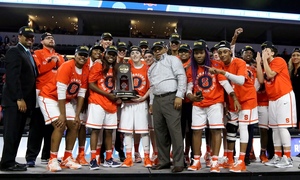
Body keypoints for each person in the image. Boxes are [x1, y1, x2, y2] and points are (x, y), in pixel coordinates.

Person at [186, 39, 240, 173]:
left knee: (216, 131)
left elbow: (225, 84)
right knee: (196, 131)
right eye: (196, 53)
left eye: (201, 53)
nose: (199, 56)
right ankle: (197, 160)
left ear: (206, 53)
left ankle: (215, 161)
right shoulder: (191, 68)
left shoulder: (216, 65)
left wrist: (234, 97)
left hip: (215, 103)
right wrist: (190, 96)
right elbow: (189, 87)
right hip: (198, 104)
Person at [38, 45, 89, 172]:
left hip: (65, 99)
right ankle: (52, 159)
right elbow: (60, 91)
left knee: (75, 125)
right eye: (80, 54)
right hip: (49, 96)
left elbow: (82, 94)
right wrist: (62, 114)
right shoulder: (67, 66)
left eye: (85, 55)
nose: (82, 57)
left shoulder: (86, 69)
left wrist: (77, 115)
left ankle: (67, 157)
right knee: (60, 124)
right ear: (75, 55)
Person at [209, 40, 258, 173]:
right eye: (220, 52)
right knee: (231, 128)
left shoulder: (239, 62)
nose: (222, 54)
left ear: (230, 52)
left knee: (242, 127)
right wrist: (233, 99)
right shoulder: (220, 66)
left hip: (247, 98)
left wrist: (223, 72)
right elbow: (227, 85)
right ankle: (229, 158)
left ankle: (241, 161)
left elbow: (241, 81)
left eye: (225, 51)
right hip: (234, 100)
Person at [0, 26, 37, 171]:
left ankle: (11, 160)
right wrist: (19, 98)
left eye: (32, 37)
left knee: (17, 133)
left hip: (23, 101)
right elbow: (12, 78)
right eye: (27, 36)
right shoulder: (14, 51)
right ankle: (6, 163)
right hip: (15, 101)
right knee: (11, 133)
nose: (30, 39)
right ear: (19, 37)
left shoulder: (27, 53)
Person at [26, 32, 64, 167]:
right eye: (48, 38)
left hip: (54, 94)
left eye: (52, 38)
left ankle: (47, 155)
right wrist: (52, 62)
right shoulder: (37, 53)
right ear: (42, 41)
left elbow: (63, 73)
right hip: (40, 91)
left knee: (52, 126)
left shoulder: (60, 56)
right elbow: (38, 70)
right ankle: (31, 156)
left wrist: (56, 60)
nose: (51, 39)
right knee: (37, 124)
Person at [256, 41, 296, 168]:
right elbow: (261, 80)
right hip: (272, 99)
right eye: (263, 50)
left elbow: (270, 74)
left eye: (267, 50)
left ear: (272, 52)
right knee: (275, 128)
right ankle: (277, 156)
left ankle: (287, 158)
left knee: (283, 127)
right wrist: (258, 62)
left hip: (284, 96)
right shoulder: (264, 65)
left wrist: (264, 60)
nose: (264, 52)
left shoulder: (279, 60)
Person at [148, 41, 186, 173]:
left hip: (171, 97)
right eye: (155, 50)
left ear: (165, 49)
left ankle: (179, 162)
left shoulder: (173, 60)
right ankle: (163, 161)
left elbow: (181, 77)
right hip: (157, 100)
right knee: (160, 132)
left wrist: (179, 96)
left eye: (159, 49)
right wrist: (151, 103)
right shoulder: (151, 67)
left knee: (175, 132)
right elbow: (152, 87)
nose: (157, 51)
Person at [85, 45, 122, 170]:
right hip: (97, 101)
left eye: (113, 55)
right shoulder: (98, 65)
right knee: (95, 130)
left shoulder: (116, 68)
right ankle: (93, 160)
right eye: (109, 54)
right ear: (104, 55)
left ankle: (108, 159)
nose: (111, 57)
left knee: (109, 131)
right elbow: (91, 84)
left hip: (111, 103)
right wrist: (107, 94)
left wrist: (118, 96)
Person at [120, 46, 151, 168]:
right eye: (132, 53)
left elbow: (151, 86)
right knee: (128, 132)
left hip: (141, 102)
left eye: (137, 52)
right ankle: (129, 158)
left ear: (141, 55)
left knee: (144, 131)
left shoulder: (147, 68)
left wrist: (144, 98)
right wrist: (125, 96)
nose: (135, 55)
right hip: (128, 102)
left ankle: (147, 158)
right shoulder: (126, 67)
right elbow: (120, 83)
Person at [74, 44, 104, 166]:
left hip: (94, 100)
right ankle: (80, 154)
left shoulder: (102, 64)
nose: (98, 52)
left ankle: (96, 155)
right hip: (80, 98)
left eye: (100, 51)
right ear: (90, 52)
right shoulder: (84, 63)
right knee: (79, 126)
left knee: (95, 128)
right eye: (95, 50)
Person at [177, 43, 193, 166]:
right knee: (180, 130)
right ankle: (180, 154)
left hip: (192, 102)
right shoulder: (175, 64)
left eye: (185, 52)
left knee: (192, 130)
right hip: (179, 102)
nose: (183, 54)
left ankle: (190, 154)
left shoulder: (193, 65)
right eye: (181, 52)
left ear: (189, 53)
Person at [144, 50, 158, 166]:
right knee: (151, 129)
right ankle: (155, 152)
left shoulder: (155, 67)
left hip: (154, 101)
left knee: (155, 129)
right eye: (146, 57)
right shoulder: (146, 68)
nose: (148, 59)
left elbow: (153, 87)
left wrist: (151, 103)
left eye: (150, 56)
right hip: (146, 101)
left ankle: (158, 153)